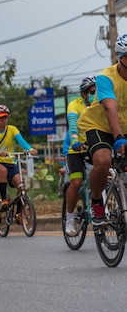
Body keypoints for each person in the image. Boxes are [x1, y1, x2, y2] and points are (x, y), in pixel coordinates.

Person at [78, 34, 127, 227]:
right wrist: (119, 137)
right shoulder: (106, 78)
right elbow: (110, 108)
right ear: (122, 58)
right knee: (103, 160)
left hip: (123, 126)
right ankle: (97, 202)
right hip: (99, 125)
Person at [0, 105, 38, 215]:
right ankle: (4, 200)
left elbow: (21, 141)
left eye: (5, 117)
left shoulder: (12, 129)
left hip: (11, 163)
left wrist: (30, 149)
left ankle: (19, 214)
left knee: (21, 187)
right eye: (0, 118)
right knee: (2, 170)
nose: (4, 120)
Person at [63, 77, 96, 236]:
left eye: (97, 92)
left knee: (105, 176)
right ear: (84, 94)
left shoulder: (100, 104)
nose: (95, 95)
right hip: (76, 150)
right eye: (92, 92)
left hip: (94, 147)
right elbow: (72, 123)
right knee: (76, 182)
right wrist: (74, 139)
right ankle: (70, 218)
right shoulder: (74, 105)